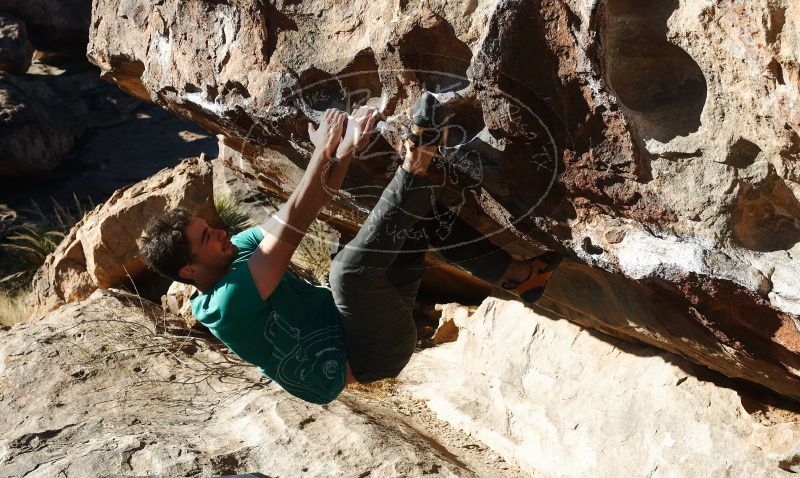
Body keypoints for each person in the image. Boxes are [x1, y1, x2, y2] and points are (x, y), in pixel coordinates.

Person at [138, 94, 561, 404]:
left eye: (208, 226)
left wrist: (345, 149)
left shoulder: (235, 250)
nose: (217, 231)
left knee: (411, 216)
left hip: (361, 317)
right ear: (190, 272)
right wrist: (324, 150)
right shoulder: (225, 306)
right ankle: (418, 159)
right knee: (347, 272)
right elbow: (298, 221)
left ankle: (520, 277)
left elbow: (303, 202)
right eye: (205, 237)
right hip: (370, 354)